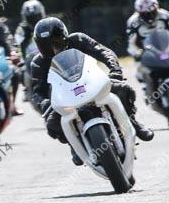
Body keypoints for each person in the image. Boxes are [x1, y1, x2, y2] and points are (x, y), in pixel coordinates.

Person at [30, 17, 154, 166]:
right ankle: (73, 143)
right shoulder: (38, 63)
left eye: (55, 43)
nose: (52, 49)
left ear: (64, 37)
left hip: (92, 83)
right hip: (65, 97)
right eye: (46, 46)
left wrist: (115, 70)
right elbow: (37, 92)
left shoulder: (78, 40)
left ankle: (132, 122)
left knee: (124, 90)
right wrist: (43, 103)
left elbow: (103, 52)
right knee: (52, 124)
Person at [126, 0, 169, 85]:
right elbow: (131, 43)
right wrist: (138, 54)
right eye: (145, 14)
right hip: (147, 53)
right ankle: (147, 91)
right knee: (140, 74)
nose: (149, 16)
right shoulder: (133, 22)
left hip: (165, 51)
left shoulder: (165, 16)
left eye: (152, 12)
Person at [14, 0, 46, 101]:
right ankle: (27, 89)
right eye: (31, 18)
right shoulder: (22, 29)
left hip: (48, 53)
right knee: (20, 71)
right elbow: (17, 45)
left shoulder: (48, 23)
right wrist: (19, 58)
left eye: (36, 17)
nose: (34, 21)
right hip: (30, 58)